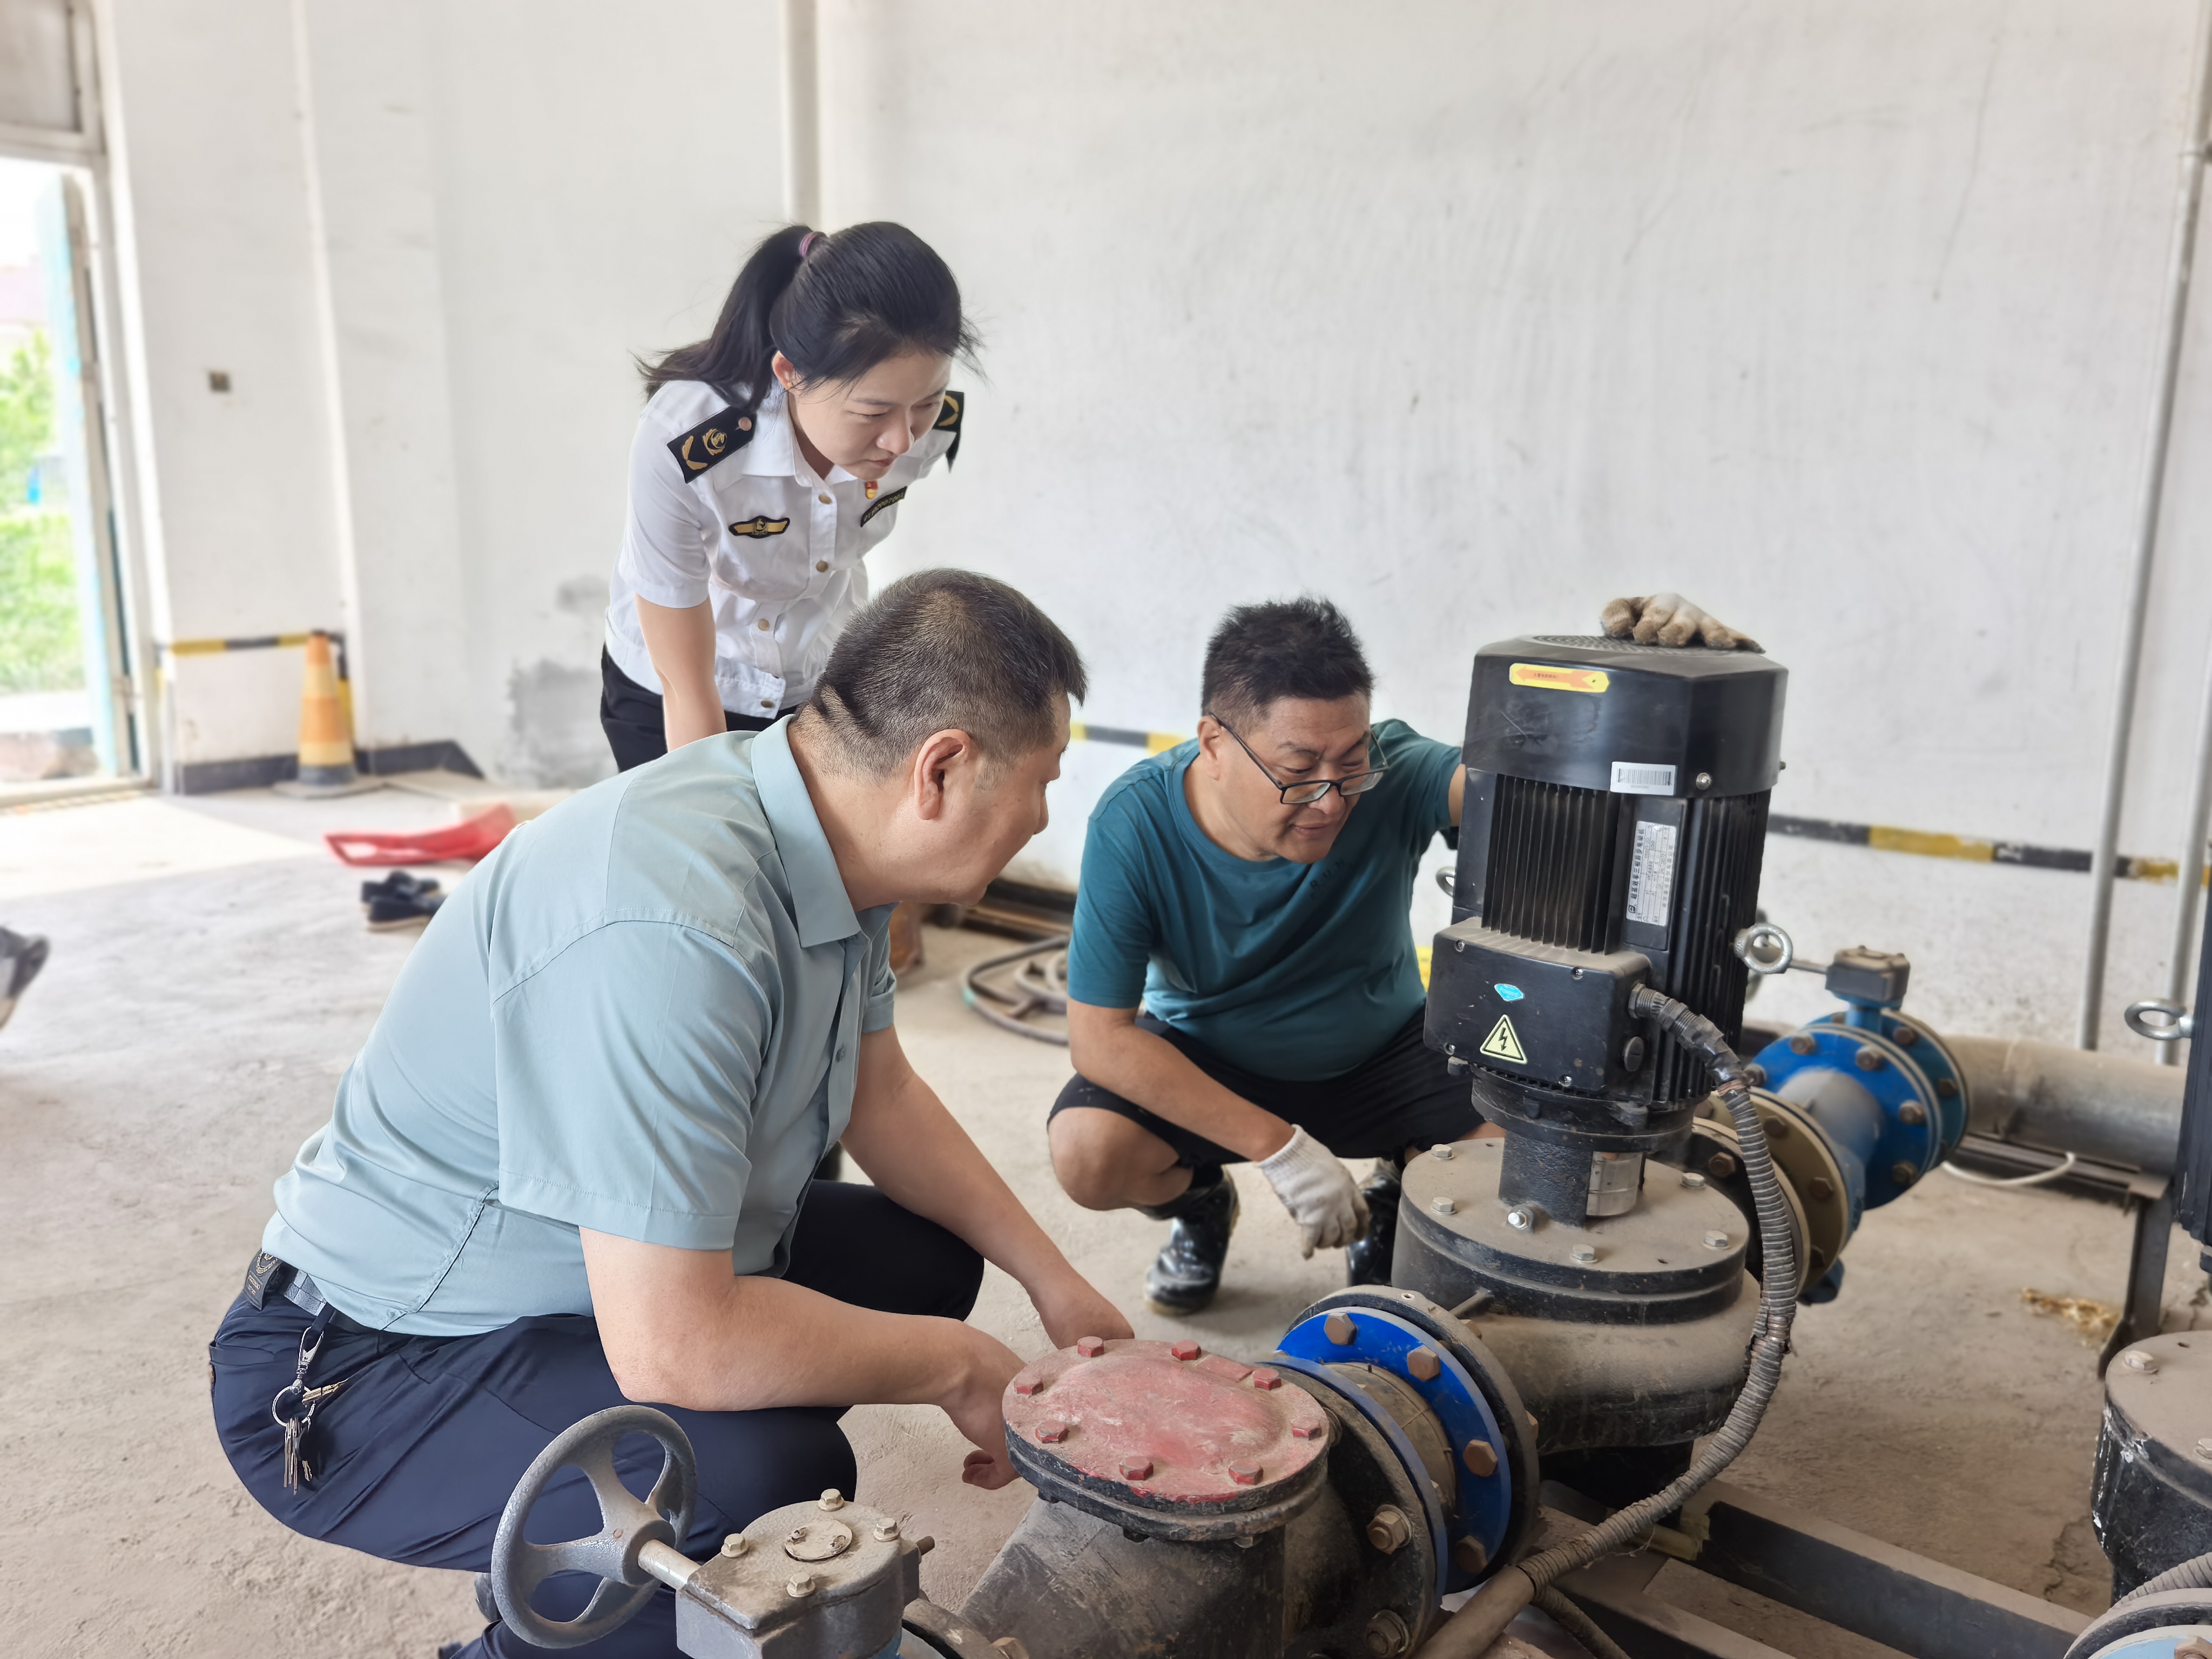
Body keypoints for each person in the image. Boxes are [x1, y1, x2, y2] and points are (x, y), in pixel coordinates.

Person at [211, 570, 1129, 1659]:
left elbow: (880, 1094)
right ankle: (538, 1623)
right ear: (942, 768)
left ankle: (583, 1549)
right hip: (370, 1365)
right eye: (1040, 783)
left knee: (923, 1262)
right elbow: (676, 1341)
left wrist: (1050, 1279)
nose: (1040, 819)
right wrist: (962, 1366)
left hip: (575, 1285)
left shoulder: (825, 840)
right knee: (761, 1483)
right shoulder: (676, 917)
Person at [1048, 591, 1750, 1314]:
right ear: (1214, 744)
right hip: (1210, 1056)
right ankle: (1200, 1204)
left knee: (1534, 1151)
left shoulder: (1398, 773)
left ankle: (1402, 1194)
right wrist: (1278, 1149)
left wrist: (1659, 684)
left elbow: (1546, 783)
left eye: (1350, 764)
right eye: (1299, 769)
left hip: (1382, 1053)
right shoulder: (1134, 822)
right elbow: (1100, 1039)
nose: (1330, 801)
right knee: (1089, 1153)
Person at [599, 221, 973, 772]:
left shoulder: (932, 429)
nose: (902, 441)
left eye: (926, 402)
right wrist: (706, 805)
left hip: (814, 683)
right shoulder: (686, 443)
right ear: (790, 374)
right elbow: (686, 685)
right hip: (680, 689)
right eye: (871, 413)